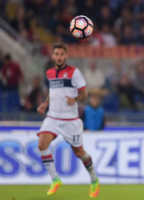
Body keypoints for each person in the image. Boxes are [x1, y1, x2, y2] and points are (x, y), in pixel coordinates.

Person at [36, 43, 99, 198]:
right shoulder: (49, 73)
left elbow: (84, 93)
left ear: (66, 56)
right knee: (42, 144)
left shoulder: (74, 72)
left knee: (79, 152)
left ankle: (94, 179)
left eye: (61, 54)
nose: (59, 57)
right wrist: (45, 103)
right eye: (56, 54)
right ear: (53, 56)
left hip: (70, 120)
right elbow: (53, 92)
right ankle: (55, 179)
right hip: (53, 117)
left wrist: (75, 98)